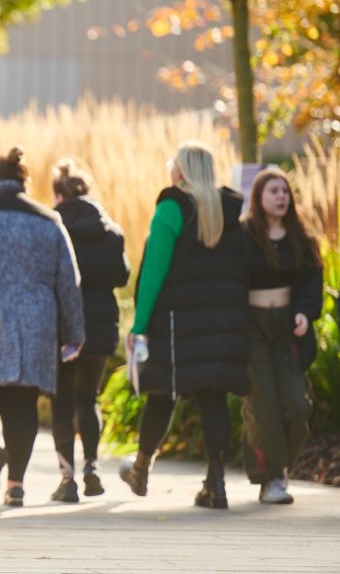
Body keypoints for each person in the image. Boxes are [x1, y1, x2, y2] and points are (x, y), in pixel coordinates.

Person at [0, 147, 85, 507]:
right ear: (25, 183)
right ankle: (16, 486)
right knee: (21, 402)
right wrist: (74, 333)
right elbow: (69, 281)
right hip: (34, 320)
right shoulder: (48, 220)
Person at [119, 141, 248, 510]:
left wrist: (139, 325)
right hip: (223, 326)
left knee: (162, 393)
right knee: (213, 397)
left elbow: (154, 272)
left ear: (181, 171)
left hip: (177, 326)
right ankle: (216, 483)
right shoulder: (233, 208)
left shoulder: (172, 207)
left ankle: (141, 468)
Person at [48, 160, 130, 502]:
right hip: (100, 326)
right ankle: (92, 468)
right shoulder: (112, 232)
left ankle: (67, 479)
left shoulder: (53, 228)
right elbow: (122, 277)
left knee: (62, 402)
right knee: (88, 398)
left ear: (58, 194)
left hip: (63, 328)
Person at [240, 168, 322, 504]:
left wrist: (304, 311)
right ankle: (271, 478)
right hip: (252, 327)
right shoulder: (243, 236)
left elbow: (311, 281)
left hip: (288, 326)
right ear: (259, 197)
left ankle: (281, 464)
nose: (281, 197)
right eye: (273, 191)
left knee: (296, 405)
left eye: (285, 191)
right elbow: (231, 280)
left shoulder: (301, 240)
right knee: (264, 406)